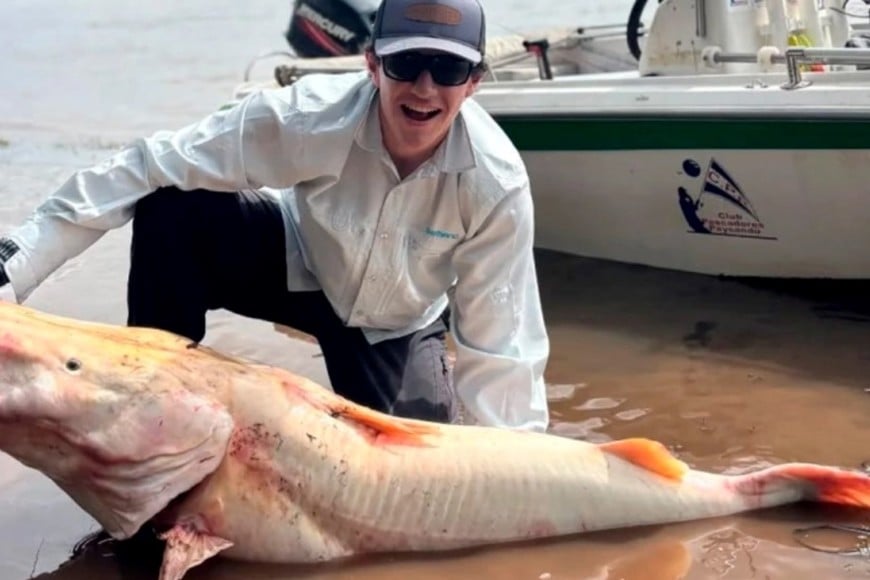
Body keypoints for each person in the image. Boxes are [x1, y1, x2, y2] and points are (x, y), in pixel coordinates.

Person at [0, 0, 550, 431]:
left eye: (449, 69)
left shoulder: (496, 183)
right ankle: (156, 407)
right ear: (372, 65)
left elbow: (503, 345)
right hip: (300, 267)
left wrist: (525, 472)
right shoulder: (306, 116)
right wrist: (13, 270)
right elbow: (143, 165)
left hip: (396, 323)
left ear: (475, 81)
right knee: (173, 203)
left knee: (426, 473)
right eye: (406, 63)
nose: (425, 88)